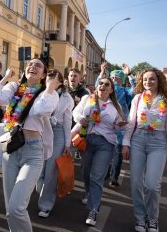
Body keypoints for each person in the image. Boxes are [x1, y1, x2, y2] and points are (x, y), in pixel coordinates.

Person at [0, 58, 61, 232]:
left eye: (38, 65)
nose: (32, 66)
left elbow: (41, 109)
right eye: (30, 64)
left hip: (33, 151)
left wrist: (50, 86)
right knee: (10, 209)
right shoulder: (14, 88)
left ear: (44, 74)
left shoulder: (49, 94)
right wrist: (5, 78)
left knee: (16, 207)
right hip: (11, 150)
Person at [122, 68, 167, 232]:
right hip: (138, 140)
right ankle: (140, 217)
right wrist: (126, 143)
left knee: (152, 185)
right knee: (136, 183)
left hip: (158, 142)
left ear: (159, 80)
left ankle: (152, 219)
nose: (148, 82)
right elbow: (131, 123)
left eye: (152, 79)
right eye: (145, 79)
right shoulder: (138, 98)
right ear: (141, 81)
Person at [73, 77, 126, 227]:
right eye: (100, 83)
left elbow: (117, 128)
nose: (102, 86)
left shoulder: (115, 106)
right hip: (87, 140)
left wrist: (119, 125)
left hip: (106, 144)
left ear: (111, 89)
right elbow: (75, 112)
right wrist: (80, 118)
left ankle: (93, 210)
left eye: (106, 84)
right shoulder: (87, 98)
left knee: (97, 175)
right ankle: (88, 192)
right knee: (85, 171)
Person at [36, 69, 74, 218]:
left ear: (60, 82)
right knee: (38, 169)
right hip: (39, 131)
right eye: (49, 76)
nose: (50, 78)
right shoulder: (39, 92)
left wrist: (67, 143)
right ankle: (41, 192)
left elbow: (67, 121)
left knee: (51, 171)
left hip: (57, 133)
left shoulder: (66, 98)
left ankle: (45, 204)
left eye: (54, 77)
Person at [95, 62, 136, 187]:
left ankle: (114, 176)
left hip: (120, 127)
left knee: (117, 152)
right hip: (106, 126)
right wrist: (102, 73)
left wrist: (129, 75)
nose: (113, 80)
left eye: (116, 78)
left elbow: (135, 90)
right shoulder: (106, 90)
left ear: (121, 80)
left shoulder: (125, 91)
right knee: (106, 151)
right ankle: (105, 173)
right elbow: (98, 86)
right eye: (111, 78)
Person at [67, 68, 90, 159]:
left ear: (79, 79)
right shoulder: (63, 90)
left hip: (77, 127)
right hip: (64, 125)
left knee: (72, 152)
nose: (73, 78)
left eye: (75, 76)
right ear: (68, 77)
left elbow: (87, 110)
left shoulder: (85, 92)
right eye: (71, 75)